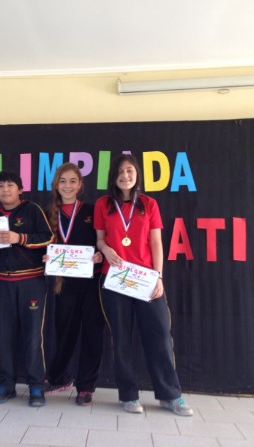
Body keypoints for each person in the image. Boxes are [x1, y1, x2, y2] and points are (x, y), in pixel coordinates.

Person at [93, 154, 194, 416]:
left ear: (137, 174)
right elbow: (100, 239)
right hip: (115, 278)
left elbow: (156, 243)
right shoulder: (103, 204)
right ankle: (128, 395)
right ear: (113, 176)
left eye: (129, 170)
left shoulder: (149, 204)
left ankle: (170, 395)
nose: (125, 175)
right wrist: (105, 249)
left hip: (146, 279)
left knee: (159, 335)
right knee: (121, 339)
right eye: (120, 171)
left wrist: (158, 276)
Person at [0, 171, 55, 407]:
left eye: (10, 185)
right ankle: (6, 385)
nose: (5, 189)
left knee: (33, 336)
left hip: (31, 282)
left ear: (20, 189)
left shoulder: (32, 209)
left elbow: (48, 238)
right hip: (2, 282)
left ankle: (36, 386)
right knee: (4, 337)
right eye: (0, 186)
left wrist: (20, 238)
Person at [44, 162, 105, 406]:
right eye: (62, 181)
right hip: (64, 282)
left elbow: (105, 239)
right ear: (55, 185)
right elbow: (40, 244)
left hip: (92, 280)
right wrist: (45, 256)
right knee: (64, 331)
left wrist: (100, 254)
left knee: (92, 332)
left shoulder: (92, 210)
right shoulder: (48, 213)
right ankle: (60, 378)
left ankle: (86, 387)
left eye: (72, 181)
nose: (67, 186)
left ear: (80, 184)